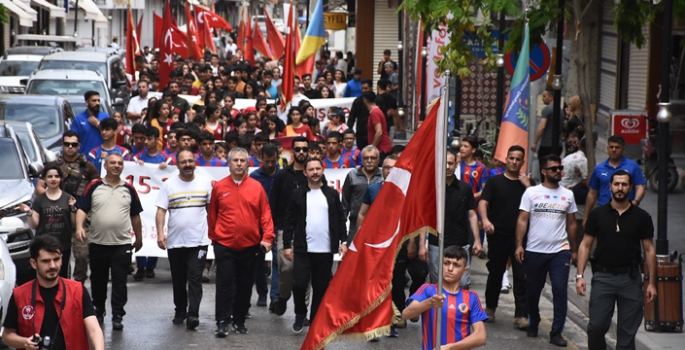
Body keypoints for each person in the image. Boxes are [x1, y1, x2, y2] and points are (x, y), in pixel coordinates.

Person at [576, 170, 657, 350]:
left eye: (624, 184)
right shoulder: (598, 214)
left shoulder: (641, 217)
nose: (620, 188)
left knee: (626, 337)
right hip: (603, 278)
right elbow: (585, 245)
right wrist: (579, 275)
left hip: (631, 279)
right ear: (610, 186)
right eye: (616, 184)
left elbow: (649, 250)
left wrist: (651, 283)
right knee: (596, 327)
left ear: (630, 188)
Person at [209, 147, 274, 337]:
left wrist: (267, 237)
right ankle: (222, 321)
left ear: (248, 164)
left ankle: (238, 320)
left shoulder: (256, 187)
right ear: (229, 164)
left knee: (245, 285)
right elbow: (213, 214)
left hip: (250, 246)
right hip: (225, 245)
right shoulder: (219, 187)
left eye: (242, 161)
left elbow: (266, 214)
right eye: (235, 160)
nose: (239, 164)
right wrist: (215, 238)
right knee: (224, 284)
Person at [75, 152, 143, 330]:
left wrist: (139, 239)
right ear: (105, 166)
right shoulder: (94, 186)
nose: (116, 166)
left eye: (119, 163)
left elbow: (135, 216)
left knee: (120, 282)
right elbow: (82, 209)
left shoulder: (129, 189)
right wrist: (79, 227)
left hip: (122, 245)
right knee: (98, 280)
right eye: (112, 163)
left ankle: (118, 315)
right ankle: (98, 310)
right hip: (98, 244)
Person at [515, 154, 577, 347]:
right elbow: (522, 220)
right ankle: (534, 320)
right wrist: (519, 244)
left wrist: (574, 250)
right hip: (534, 251)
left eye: (560, 168)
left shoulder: (568, 195)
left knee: (560, 290)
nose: (559, 171)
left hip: (560, 251)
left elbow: (572, 224)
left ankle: (556, 331)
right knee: (533, 292)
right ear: (544, 171)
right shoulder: (531, 193)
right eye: (554, 169)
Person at [1, 236, 105, 350]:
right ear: (33, 263)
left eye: (56, 259)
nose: (52, 266)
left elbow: (94, 330)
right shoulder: (19, 295)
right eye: (46, 261)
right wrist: (24, 342)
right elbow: (7, 335)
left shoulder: (78, 290)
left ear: (61, 259)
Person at [283, 158, 348, 333]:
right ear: (305, 173)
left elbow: (340, 219)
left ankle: (315, 319)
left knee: (321, 287)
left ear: (323, 170)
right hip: (303, 248)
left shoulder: (332, 194)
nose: (314, 172)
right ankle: (300, 313)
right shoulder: (298, 194)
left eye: (317, 168)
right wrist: (286, 245)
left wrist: (344, 241)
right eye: (311, 169)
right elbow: (288, 221)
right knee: (298, 283)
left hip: (325, 250)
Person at [155, 150, 212, 330]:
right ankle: (180, 309)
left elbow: (212, 210)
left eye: (190, 161)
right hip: (176, 242)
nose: (187, 164)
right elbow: (161, 211)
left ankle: (193, 314)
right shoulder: (169, 185)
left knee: (195, 278)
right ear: (177, 165)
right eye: (183, 162)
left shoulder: (205, 183)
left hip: (199, 241)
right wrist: (160, 234)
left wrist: (215, 233)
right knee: (179, 279)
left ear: (195, 162)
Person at [36, 131, 100, 283]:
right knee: (55, 255)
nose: (70, 147)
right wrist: (54, 197)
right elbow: (39, 187)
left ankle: (77, 286)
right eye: (66, 144)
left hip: (82, 217)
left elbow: (97, 190)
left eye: (73, 144)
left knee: (82, 255)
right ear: (62, 145)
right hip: (57, 217)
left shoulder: (88, 167)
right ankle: (58, 284)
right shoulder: (53, 166)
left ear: (79, 146)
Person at [479, 145, 531, 329]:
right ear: (506, 159)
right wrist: (485, 220)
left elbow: (536, 205)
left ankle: (521, 315)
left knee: (521, 276)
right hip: (497, 236)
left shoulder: (528, 186)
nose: (514, 162)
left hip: (520, 239)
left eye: (518, 159)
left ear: (522, 162)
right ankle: (491, 308)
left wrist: (528, 186)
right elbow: (483, 203)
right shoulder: (494, 182)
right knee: (495, 273)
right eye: (511, 158)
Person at [357, 155, 407, 336]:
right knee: (373, 284)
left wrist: (414, 243)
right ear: (382, 170)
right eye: (387, 168)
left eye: (394, 168)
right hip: (376, 246)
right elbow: (362, 214)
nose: (390, 171)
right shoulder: (372, 189)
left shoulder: (405, 191)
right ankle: (372, 325)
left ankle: (392, 322)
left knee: (396, 283)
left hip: (397, 245)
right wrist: (361, 239)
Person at [401, 245, 488, 350]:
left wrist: (450, 348)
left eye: (456, 265)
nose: (450, 269)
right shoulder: (428, 290)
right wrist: (430, 303)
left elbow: (481, 337)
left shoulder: (471, 297)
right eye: (446, 263)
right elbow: (406, 314)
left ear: (464, 270)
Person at [270, 137, 315, 316]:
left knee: (305, 272)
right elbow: (273, 203)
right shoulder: (282, 175)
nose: (301, 152)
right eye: (298, 149)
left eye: (305, 149)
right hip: (284, 230)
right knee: (287, 268)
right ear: (292, 151)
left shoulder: (313, 174)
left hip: (309, 231)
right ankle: (283, 296)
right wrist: (271, 228)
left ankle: (302, 310)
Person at [425, 150, 482, 287]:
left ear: (456, 164)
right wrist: (422, 244)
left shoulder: (465, 188)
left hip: (460, 243)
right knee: (437, 284)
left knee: (461, 283)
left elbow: (472, 214)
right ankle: (439, 309)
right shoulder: (432, 188)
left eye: (450, 163)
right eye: (444, 163)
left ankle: (459, 308)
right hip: (436, 243)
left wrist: (477, 241)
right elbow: (425, 217)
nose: (447, 167)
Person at [17, 165, 76, 278]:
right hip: (43, 246)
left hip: (63, 246)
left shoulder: (68, 198)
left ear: (61, 179)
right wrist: (29, 212)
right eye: (50, 176)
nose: (53, 179)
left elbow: (74, 223)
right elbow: (34, 224)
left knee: (62, 276)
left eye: (56, 176)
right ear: (44, 179)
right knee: (44, 276)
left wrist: (73, 209)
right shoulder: (39, 200)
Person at [583, 135, 645, 227]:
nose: (614, 150)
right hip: (604, 213)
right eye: (611, 147)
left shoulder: (632, 166)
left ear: (623, 149)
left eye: (617, 147)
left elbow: (640, 187)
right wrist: (586, 217)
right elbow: (592, 194)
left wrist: (635, 202)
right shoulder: (599, 169)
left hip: (627, 212)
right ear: (607, 148)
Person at [249, 144, 280, 309]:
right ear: (261, 159)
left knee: (278, 261)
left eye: (273, 161)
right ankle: (262, 292)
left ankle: (275, 296)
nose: (269, 165)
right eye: (267, 161)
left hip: (278, 223)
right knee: (257, 260)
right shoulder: (254, 177)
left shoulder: (282, 175)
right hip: (258, 224)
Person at [341, 145, 383, 244]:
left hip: (379, 225)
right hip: (355, 224)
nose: (369, 160)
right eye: (365, 158)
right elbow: (345, 203)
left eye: (372, 158)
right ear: (361, 159)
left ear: (378, 160)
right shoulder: (352, 175)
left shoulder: (383, 175)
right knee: (354, 257)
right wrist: (342, 232)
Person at [531, 86, 563, 159]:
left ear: (551, 97)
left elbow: (542, 127)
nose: (542, 98)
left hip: (547, 145)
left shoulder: (547, 109)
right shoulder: (561, 111)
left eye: (544, 96)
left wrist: (535, 142)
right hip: (559, 145)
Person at [560, 134, 589, 204]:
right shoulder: (583, 160)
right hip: (568, 190)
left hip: (562, 186)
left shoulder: (571, 156)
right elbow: (588, 182)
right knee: (593, 193)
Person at [363, 92, 392, 160]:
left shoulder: (374, 113)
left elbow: (379, 132)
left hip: (381, 149)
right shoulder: (377, 111)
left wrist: (372, 148)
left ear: (365, 101)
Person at [346, 79, 372, 150]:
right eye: (362, 88)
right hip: (361, 133)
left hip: (374, 133)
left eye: (366, 88)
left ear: (371, 88)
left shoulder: (378, 100)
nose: (364, 90)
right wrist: (349, 131)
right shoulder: (358, 101)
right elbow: (352, 117)